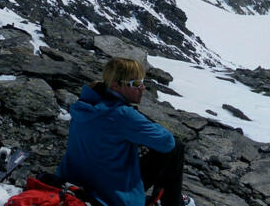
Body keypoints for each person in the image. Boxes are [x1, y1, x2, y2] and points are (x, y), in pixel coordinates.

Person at [58, 57, 194, 206]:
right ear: (116, 85)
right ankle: (173, 203)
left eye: (142, 82)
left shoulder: (84, 105)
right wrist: (138, 122)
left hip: (74, 181)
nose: (142, 88)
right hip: (112, 196)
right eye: (135, 84)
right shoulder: (121, 114)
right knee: (176, 147)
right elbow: (167, 142)